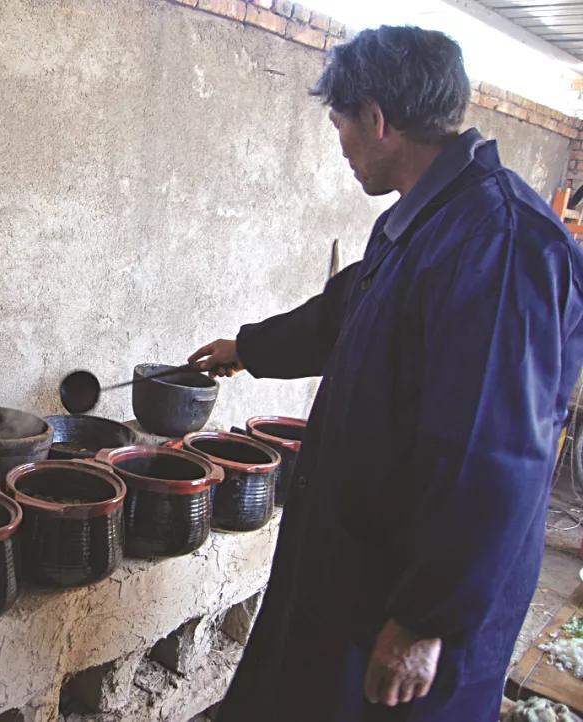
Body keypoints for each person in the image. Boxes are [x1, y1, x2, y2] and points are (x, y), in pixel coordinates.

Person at [189, 25, 583, 722]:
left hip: (412, 604)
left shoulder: (500, 243)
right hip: (361, 570)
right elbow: (345, 314)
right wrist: (246, 347)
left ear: (377, 119)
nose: (339, 144)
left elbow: (494, 455)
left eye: (340, 123)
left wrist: (427, 620)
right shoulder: (427, 219)